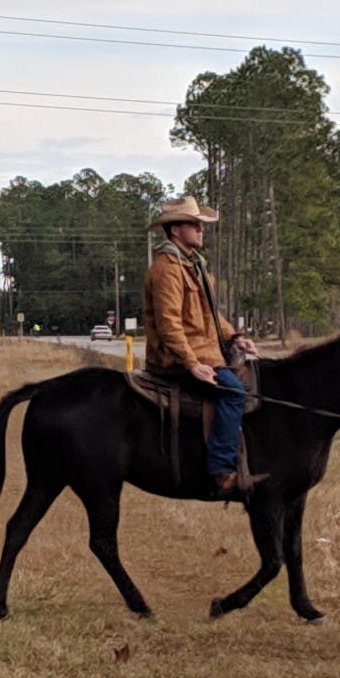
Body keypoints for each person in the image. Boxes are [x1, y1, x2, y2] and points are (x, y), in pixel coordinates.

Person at [143, 196, 258, 499]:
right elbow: (169, 324)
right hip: (177, 359)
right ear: (175, 230)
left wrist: (235, 337)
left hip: (207, 352)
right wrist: (192, 363)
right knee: (233, 392)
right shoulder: (167, 269)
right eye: (194, 224)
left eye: (200, 224)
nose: (200, 229)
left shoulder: (195, 266)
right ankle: (221, 468)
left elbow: (211, 316)